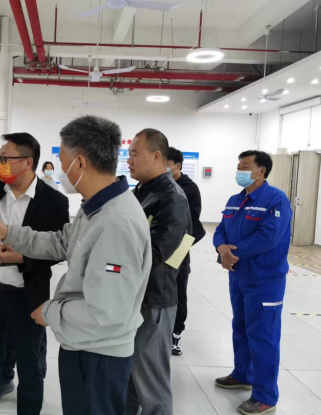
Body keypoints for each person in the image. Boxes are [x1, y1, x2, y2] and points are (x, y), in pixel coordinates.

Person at [0, 115, 152, 415]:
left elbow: (107, 311)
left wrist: (50, 311)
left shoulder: (116, 223)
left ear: (80, 163)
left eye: (63, 162)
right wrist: (6, 232)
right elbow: (61, 242)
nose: (61, 169)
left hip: (98, 353)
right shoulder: (96, 208)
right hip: (83, 341)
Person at [0, 133, 70, 415]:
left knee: (30, 366)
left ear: (28, 162)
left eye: (5, 158)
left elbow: (58, 250)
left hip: (28, 295)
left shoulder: (54, 202)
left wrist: (22, 257)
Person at [213, 150, 291, 415]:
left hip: (265, 280)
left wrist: (231, 253)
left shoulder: (276, 199)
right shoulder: (235, 200)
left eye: (245, 166)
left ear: (262, 171)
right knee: (241, 327)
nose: (240, 171)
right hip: (239, 276)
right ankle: (242, 374)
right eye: (238, 166)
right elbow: (221, 229)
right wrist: (221, 247)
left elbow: (268, 236)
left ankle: (265, 396)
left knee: (263, 336)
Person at [126, 129, 192, 415]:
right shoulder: (140, 191)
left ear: (156, 156)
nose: (129, 160)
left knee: (151, 382)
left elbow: (156, 254)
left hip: (153, 300)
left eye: (134, 154)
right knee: (130, 376)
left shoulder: (171, 198)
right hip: (134, 295)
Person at [167, 147, 206, 356]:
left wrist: (178, 250)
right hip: (156, 250)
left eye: (167, 164)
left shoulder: (189, 189)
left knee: (178, 293)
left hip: (178, 251)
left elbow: (191, 224)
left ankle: (176, 334)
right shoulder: (154, 185)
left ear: (177, 165)